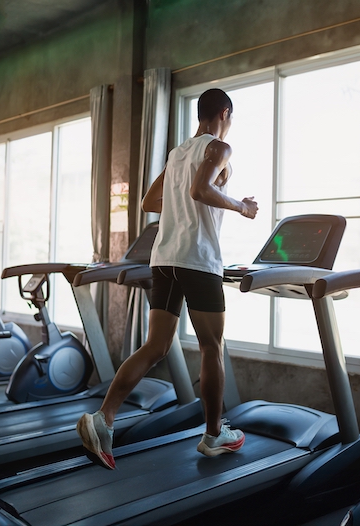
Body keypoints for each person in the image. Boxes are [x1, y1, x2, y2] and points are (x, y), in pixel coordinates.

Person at [76, 88, 258, 470]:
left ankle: (103, 418)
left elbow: (149, 202)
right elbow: (200, 189)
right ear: (224, 113)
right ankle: (213, 435)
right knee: (212, 347)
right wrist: (241, 206)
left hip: (164, 259)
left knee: (156, 345)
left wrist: (183, 206)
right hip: (197, 258)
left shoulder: (178, 153)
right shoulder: (220, 148)